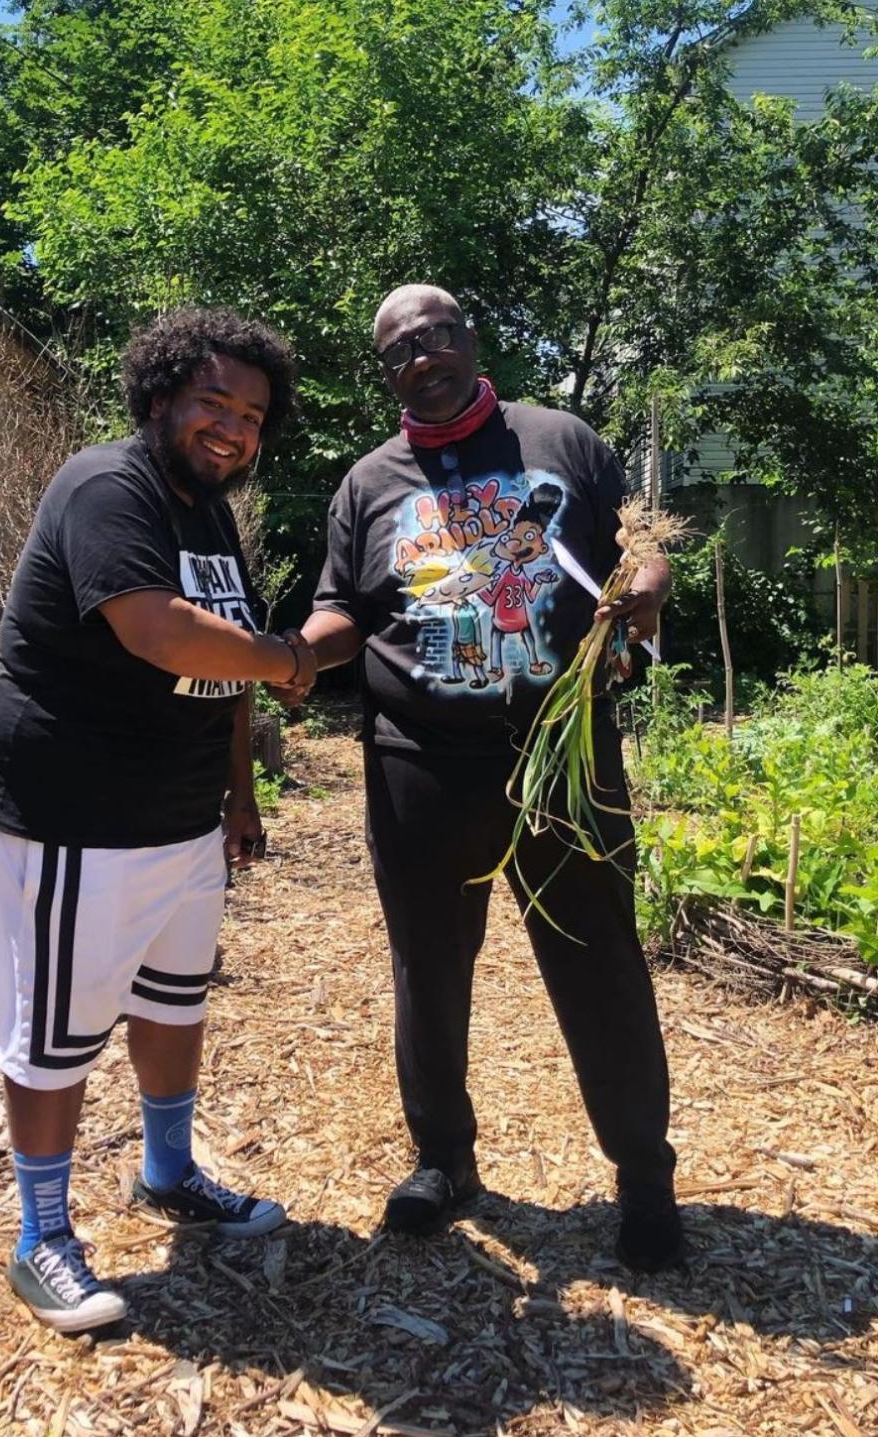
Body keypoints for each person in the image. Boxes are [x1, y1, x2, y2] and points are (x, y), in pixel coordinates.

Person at [281, 284, 683, 1271]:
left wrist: (648, 590)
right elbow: (342, 613)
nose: (425, 355)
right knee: (428, 969)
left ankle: (644, 1178)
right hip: (421, 767)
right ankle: (445, 1162)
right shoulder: (367, 486)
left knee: (601, 962)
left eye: (440, 334)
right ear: (387, 373)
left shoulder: (561, 441)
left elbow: (641, 561)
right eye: (402, 349)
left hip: (563, 758)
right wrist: (286, 655)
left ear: (470, 339)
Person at [0, 308, 315, 1332]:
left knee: (173, 1003)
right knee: (53, 1038)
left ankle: (167, 1174)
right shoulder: (105, 487)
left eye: (251, 415)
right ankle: (42, 1238)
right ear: (159, 395)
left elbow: (229, 643)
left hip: (178, 818)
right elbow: (165, 634)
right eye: (213, 401)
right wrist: (299, 659)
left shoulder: (207, 512)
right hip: (72, 816)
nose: (232, 428)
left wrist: (239, 795)